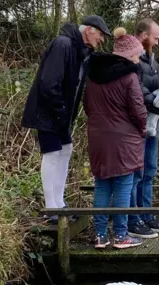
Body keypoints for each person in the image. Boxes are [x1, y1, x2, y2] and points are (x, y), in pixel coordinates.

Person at [21, 15, 111, 224]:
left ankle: (60, 204)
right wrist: (60, 110)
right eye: (100, 34)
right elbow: (49, 83)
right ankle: (51, 208)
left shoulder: (81, 50)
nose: (102, 39)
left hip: (62, 114)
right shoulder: (63, 44)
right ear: (89, 30)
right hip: (49, 112)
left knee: (66, 150)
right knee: (51, 154)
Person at [83, 27, 149, 249]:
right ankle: (121, 236)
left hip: (98, 138)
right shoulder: (129, 77)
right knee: (123, 184)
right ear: (129, 55)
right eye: (137, 55)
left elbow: (87, 107)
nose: (139, 60)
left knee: (102, 185)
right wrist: (142, 129)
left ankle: (101, 235)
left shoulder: (92, 76)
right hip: (124, 139)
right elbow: (138, 110)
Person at [128, 18, 159, 236]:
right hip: (136, 126)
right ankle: (133, 219)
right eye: (156, 38)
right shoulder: (131, 59)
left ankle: (146, 215)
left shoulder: (153, 62)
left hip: (152, 128)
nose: (158, 42)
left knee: (149, 172)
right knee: (135, 174)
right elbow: (137, 91)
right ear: (144, 36)